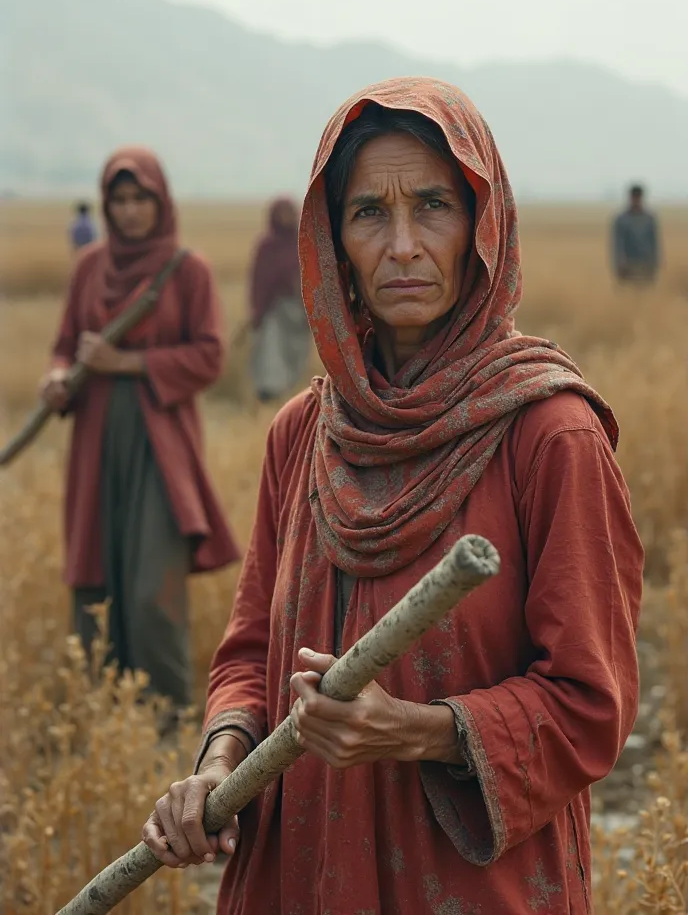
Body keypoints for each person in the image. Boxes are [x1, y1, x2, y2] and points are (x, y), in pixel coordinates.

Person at [143, 79, 643, 914]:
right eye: (369, 211)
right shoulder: (303, 434)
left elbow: (591, 704)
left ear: (484, 229)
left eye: (436, 206)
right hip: (299, 869)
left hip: (470, 883)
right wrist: (219, 764)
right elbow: (246, 656)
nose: (403, 244)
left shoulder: (550, 435)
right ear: (332, 239)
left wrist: (417, 730)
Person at [41, 147, 241, 710]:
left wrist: (124, 363)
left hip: (161, 450)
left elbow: (209, 356)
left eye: (140, 199)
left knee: (155, 588)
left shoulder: (187, 269)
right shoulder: (88, 269)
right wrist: (59, 378)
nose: (129, 211)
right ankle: (106, 713)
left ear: (161, 202)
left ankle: (168, 715)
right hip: (96, 446)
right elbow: (64, 346)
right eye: (119, 200)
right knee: (95, 574)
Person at [249, 197, 311, 402]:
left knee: (296, 355)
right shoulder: (267, 246)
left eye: (290, 213)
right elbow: (259, 279)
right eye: (282, 213)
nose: (287, 218)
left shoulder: (303, 241)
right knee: (271, 353)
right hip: (275, 309)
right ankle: (268, 393)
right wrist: (257, 310)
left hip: (300, 309)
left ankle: (291, 394)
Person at [611, 183, 660, 283]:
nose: (636, 200)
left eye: (638, 197)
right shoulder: (621, 219)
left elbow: (654, 243)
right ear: (630, 198)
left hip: (646, 264)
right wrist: (618, 263)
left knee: (646, 295)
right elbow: (617, 244)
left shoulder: (649, 219)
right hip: (627, 265)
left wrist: (655, 263)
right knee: (627, 296)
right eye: (634, 197)